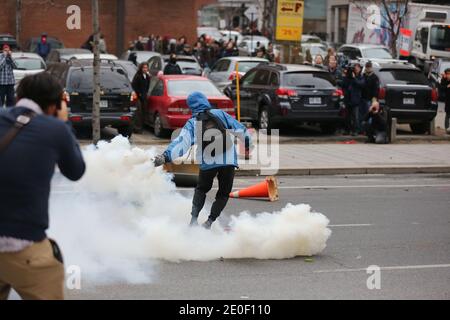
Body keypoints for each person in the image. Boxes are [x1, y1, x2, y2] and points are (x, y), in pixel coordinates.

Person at [0, 72, 86, 300]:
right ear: (54, 105)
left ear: (18, 97)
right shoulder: (54, 129)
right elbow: (76, 171)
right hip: (23, 244)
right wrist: (65, 122)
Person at [153, 92, 252, 229]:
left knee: (201, 190)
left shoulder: (192, 122)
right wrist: (247, 145)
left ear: (191, 107)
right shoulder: (220, 114)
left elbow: (182, 143)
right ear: (205, 101)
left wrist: (166, 156)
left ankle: (193, 221)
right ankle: (209, 222)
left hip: (208, 161)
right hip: (228, 160)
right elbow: (242, 130)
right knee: (223, 194)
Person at [342, 62, 366, 136]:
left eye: (356, 68)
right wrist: (346, 75)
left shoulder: (360, 77)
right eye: (354, 68)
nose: (355, 69)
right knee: (347, 116)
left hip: (355, 99)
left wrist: (354, 78)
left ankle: (355, 130)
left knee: (355, 116)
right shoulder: (348, 77)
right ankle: (347, 130)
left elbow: (361, 84)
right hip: (348, 98)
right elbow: (344, 85)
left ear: (359, 69)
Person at [131, 62, 151, 134]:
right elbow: (134, 86)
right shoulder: (137, 76)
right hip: (138, 97)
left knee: (144, 112)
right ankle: (137, 128)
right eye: (144, 68)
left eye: (146, 68)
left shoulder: (147, 77)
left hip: (144, 96)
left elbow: (147, 87)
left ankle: (141, 127)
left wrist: (145, 94)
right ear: (141, 68)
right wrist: (138, 94)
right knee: (138, 112)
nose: (145, 69)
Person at [440, 68, 450, 134]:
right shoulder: (444, 81)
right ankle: (447, 129)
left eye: (449, 74)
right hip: (448, 101)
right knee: (448, 115)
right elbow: (441, 88)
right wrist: (447, 86)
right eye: (447, 74)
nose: (448, 75)